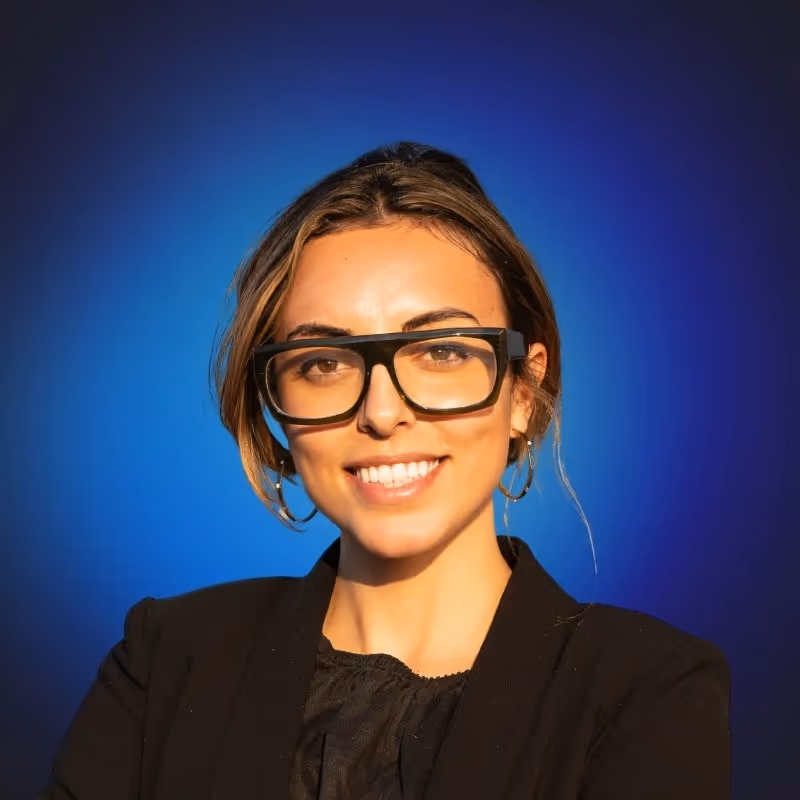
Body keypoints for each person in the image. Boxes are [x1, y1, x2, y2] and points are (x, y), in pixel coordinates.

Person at [40, 142, 731, 799]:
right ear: (276, 406)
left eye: (441, 352)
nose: (381, 411)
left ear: (522, 391)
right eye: (323, 363)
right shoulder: (166, 661)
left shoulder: (651, 689)